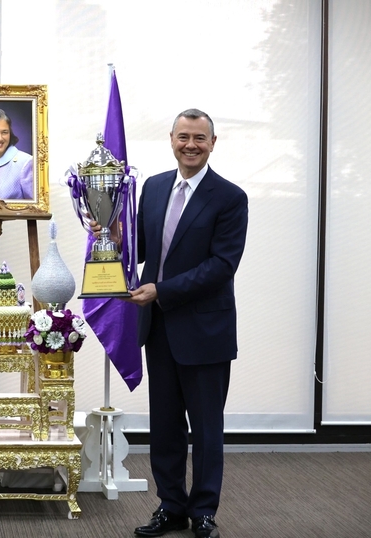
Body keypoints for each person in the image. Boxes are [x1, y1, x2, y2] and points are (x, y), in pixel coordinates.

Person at [94, 109, 247, 538]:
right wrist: (112, 234)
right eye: (184, 137)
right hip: (158, 328)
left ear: (213, 143)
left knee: (207, 428)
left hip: (205, 331)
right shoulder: (156, 186)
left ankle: (204, 511)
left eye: (199, 138)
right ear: (172, 139)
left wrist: (161, 290)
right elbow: (142, 247)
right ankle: (171, 506)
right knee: (165, 426)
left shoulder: (230, 197)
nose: (190, 145)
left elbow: (222, 266)